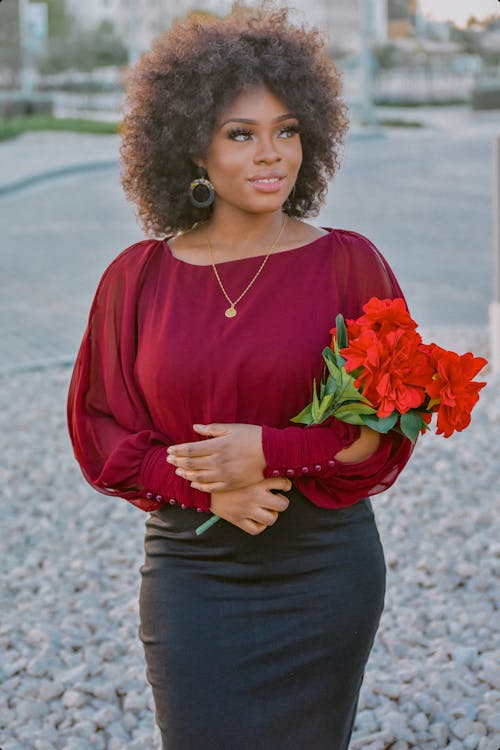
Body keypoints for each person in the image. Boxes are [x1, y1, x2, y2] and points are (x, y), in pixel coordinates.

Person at [67, 5, 415, 749]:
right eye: (241, 134)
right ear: (193, 149)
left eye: (287, 130)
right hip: (193, 573)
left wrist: (271, 451)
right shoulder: (137, 279)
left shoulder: (351, 264)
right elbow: (102, 431)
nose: (273, 155)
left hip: (324, 570)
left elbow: (383, 431)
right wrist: (205, 486)